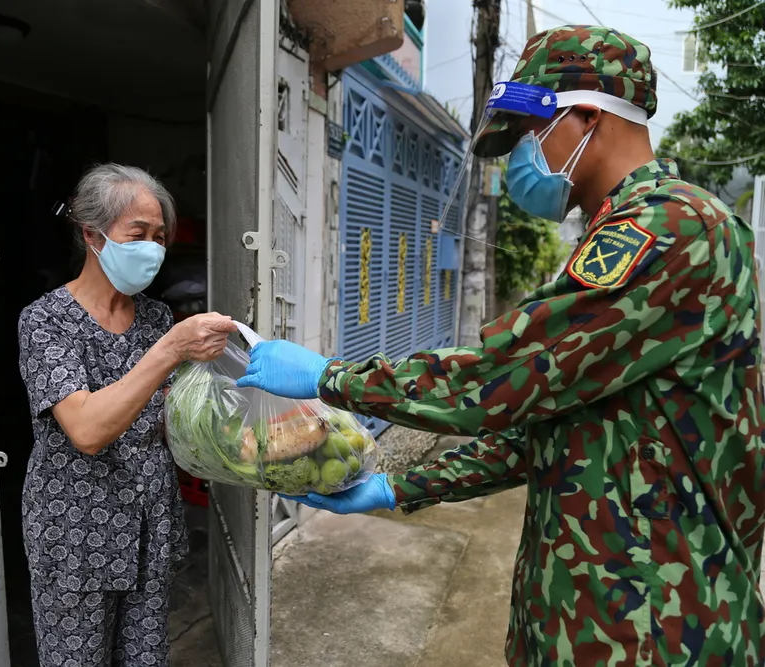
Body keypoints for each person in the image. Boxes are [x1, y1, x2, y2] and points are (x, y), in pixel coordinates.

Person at [237, 25, 765, 666]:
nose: (521, 155)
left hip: (657, 628)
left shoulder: (674, 227)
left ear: (585, 118)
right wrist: (402, 488)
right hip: (590, 616)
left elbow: (502, 376)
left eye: (527, 133)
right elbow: (546, 428)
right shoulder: (628, 230)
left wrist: (332, 378)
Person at [17, 163, 237, 667]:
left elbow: (165, 419)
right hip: (77, 533)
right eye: (138, 234)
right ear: (92, 235)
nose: (154, 249)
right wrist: (172, 349)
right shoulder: (45, 321)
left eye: (160, 237)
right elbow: (88, 430)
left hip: (148, 524)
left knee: (145, 658)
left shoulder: (156, 316)